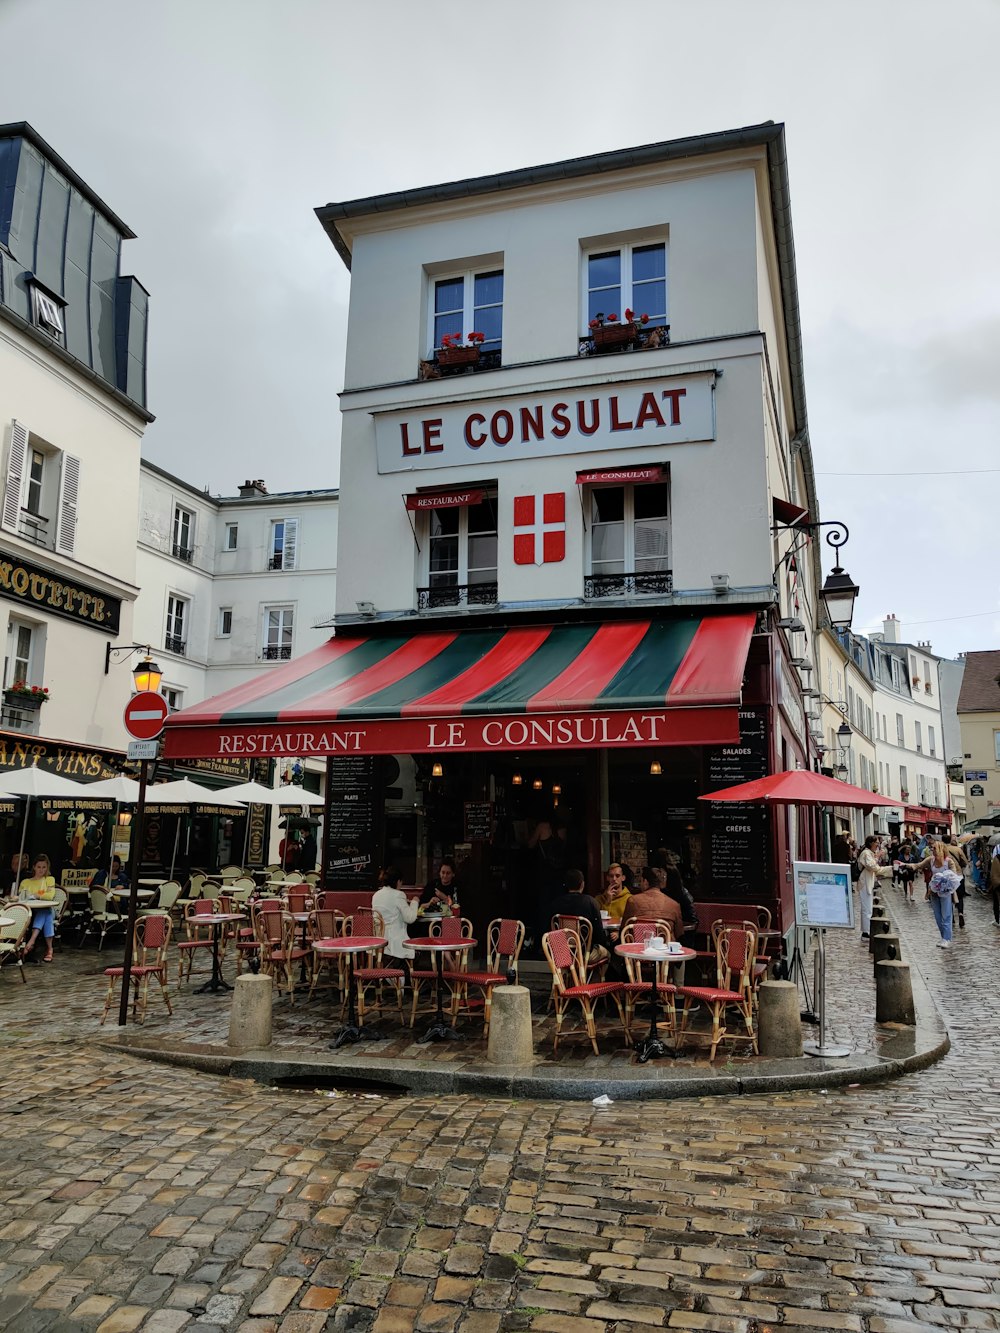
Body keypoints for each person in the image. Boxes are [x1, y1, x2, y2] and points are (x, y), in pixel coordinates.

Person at [549, 867, 611, 965]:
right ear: (582, 884)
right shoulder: (590, 902)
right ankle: (594, 979)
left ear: (566, 884)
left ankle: (570, 976)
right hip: (584, 954)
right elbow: (599, 934)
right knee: (607, 953)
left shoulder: (555, 903)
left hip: (562, 953)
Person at [372, 866, 419, 971]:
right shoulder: (398, 895)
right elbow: (410, 918)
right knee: (417, 953)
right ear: (398, 881)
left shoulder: (376, 895)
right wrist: (415, 902)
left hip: (379, 939)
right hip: (395, 942)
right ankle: (402, 979)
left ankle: (390, 976)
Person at [620, 866, 684, 937]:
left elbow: (624, 928)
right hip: (665, 946)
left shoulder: (632, 901)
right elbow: (679, 933)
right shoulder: (674, 905)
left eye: (641, 881)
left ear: (645, 882)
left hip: (639, 946)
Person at [20, 853, 57, 962]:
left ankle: (31, 941)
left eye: (44, 867)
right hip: (30, 911)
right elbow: (22, 897)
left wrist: (35, 895)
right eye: (39, 867)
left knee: (46, 911)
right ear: (34, 867)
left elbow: (50, 896)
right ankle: (50, 949)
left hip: (47, 908)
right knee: (47, 915)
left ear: (47, 868)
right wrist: (41, 895)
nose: (41, 870)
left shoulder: (49, 880)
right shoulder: (26, 882)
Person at [924, 842, 962, 949]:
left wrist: (945, 878)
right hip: (934, 892)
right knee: (937, 916)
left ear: (940, 849)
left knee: (946, 916)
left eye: (935, 848)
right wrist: (904, 864)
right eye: (932, 848)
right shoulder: (931, 860)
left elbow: (954, 876)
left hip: (945, 892)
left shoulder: (948, 861)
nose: (933, 850)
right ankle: (943, 937)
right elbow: (918, 865)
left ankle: (947, 939)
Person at [857, 835, 893, 939]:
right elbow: (872, 866)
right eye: (876, 842)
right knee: (866, 908)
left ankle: (866, 930)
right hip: (865, 882)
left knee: (868, 907)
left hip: (868, 881)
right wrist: (877, 857)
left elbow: (875, 868)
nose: (878, 844)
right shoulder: (866, 853)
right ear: (871, 843)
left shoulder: (869, 853)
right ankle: (866, 932)